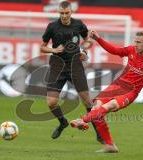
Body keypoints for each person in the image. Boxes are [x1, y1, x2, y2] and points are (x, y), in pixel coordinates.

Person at [70, 31, 143, 153]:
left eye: (138, 42)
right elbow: (114, 50)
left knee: (109, 106)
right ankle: (110, 146)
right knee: (96, 108)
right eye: (135, 41)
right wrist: (98, 38)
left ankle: (82, 120)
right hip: (117, 85)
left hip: (130, 92)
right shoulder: (131, 50)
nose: (135, 44)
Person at [40, 1, 103, 143]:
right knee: (51, 102)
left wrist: (84, 51)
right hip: (57, 66)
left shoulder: (79, 24)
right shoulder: (52, 26)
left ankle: (100, 133)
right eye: (61, 13)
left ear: (71, 12)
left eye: (66, 13)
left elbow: (88, 41)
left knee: (87, 101)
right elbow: (42, 47)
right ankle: (62, 122)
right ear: (58, 13)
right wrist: (53, 50)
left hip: (75, 65)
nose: (64, 16)